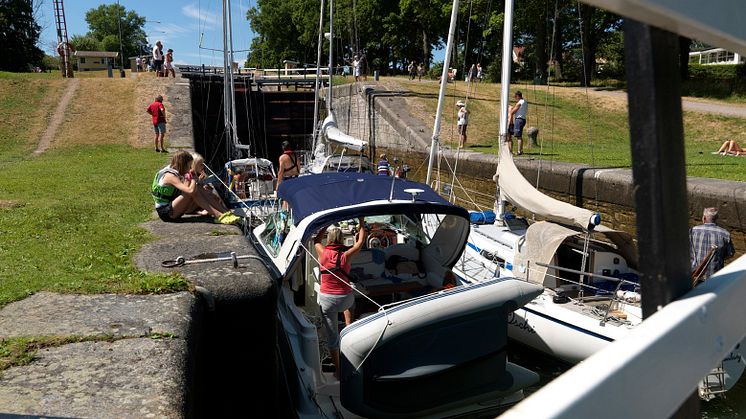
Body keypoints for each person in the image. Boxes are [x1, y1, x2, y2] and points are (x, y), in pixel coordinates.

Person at [314, 219, 367, 379]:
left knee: (332, 337)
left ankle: (338, 370)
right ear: (342, 240)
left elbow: (316, 240)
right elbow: (360, 242)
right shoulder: (346, 256)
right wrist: (362, 221)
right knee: (350, 304)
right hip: (344, 299)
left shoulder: (322, 252)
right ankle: (349, 326)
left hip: (327, 300)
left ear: (329, 240)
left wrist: (324, 224)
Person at [151, 151, 241, 224]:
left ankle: (225, 211)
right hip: (167, 212)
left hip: (174, 206)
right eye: (189, 165)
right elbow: (190, 191)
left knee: (198, 189)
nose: (190, 168)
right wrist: (193, 179)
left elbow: (185, 188)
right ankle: (218, 215)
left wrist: (189, 179)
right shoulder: (170, 176)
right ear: (183, 164)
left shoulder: (174, 170)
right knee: (195, 191)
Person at [690, 207, 736, 281]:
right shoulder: (725, 234)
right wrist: (718, 256)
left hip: (695, 274)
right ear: (717, 218)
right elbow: (730, 254)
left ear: (704, 218)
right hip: (714, 275)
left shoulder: (692, 231)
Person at [508, 91, 527, 155]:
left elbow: (512, 112)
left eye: (515, 97)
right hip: (522, 119)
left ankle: (519, 151)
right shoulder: (525, 101)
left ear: (518, 96)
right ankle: (520, 150)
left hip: (519, 120)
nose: (515, 99)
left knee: (518, 136)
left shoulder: (520, 102)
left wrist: (510, 109)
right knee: (519, 136)